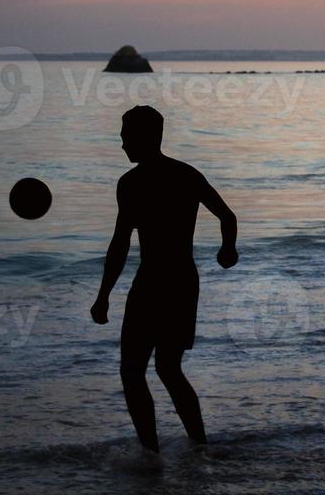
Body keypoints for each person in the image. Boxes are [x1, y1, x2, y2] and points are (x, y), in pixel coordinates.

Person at [91, 105, 239, 454]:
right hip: (184, 282)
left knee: (132, 371)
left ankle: (151, 454)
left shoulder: (131, 184)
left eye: (126, 136)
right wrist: (227, 250)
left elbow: (120, 244)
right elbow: (227, 216)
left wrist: (103, 295)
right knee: (168, 369)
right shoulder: (186, 174)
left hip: (152, 282)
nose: (122, 143)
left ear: (144, 138)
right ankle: (200, 445)